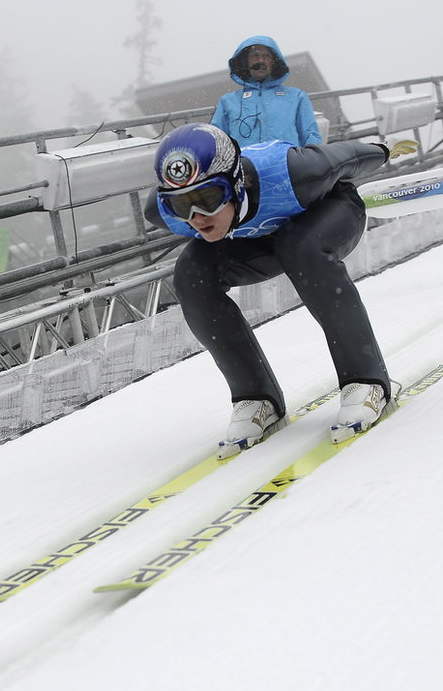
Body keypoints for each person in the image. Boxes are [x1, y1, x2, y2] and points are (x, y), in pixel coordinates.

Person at [144, 123, 417, 456]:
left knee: (300, 247)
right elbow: (190, 212)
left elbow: (346, 158)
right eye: (181, 205)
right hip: (258, 237)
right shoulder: (161, 212)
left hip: (329, 211)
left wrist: (384, 148)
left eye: (208, 197)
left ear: (235, 183)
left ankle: (366, 379)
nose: (197, 216)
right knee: (191, 274)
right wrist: (196, 206)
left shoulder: (295, 171)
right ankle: (255, 397)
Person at [210, 35, 322, 148]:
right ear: (246, 62)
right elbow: (216, 142)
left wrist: (310, 162)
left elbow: (311, 136)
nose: (261, 60)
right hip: (245, 164)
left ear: (274, 62)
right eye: (255, 56)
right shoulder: (228, 101)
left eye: (266, 56)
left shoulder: (297, 97)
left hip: (286, 164)